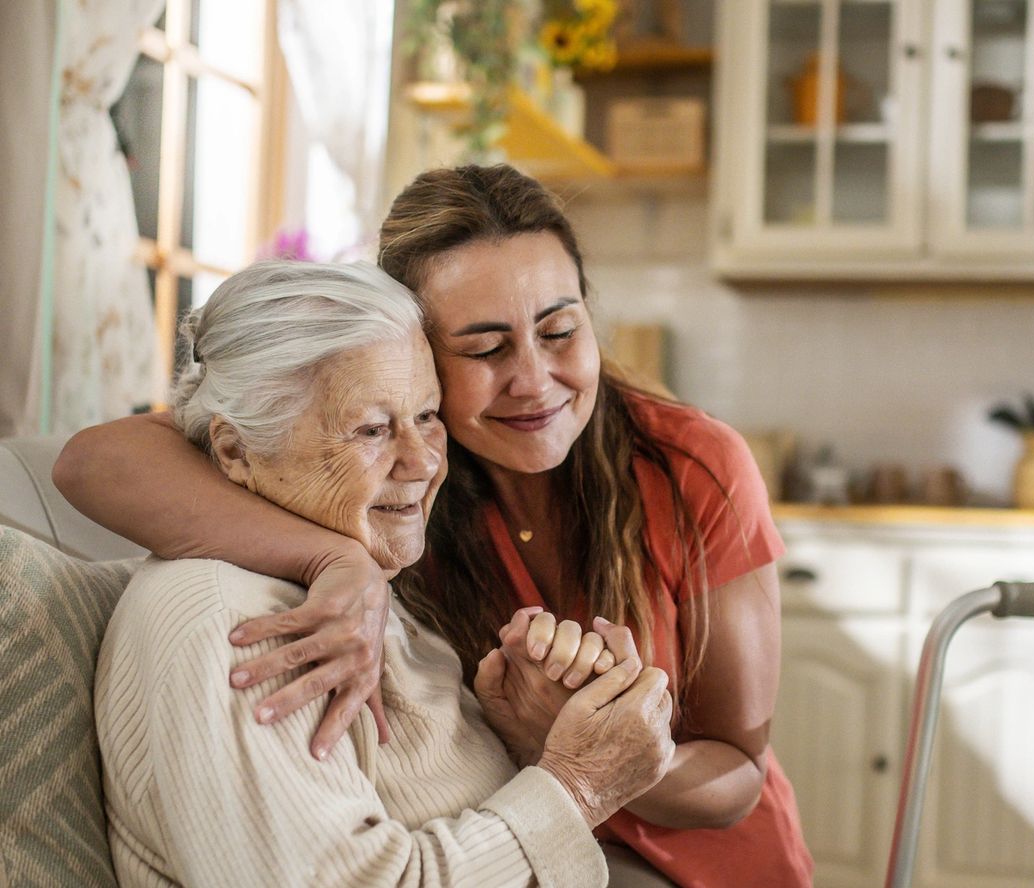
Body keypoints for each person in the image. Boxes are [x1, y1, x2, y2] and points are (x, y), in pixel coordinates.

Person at [58, 165, 814, 887]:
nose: (533, 379)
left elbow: (738, 774)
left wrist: (600, 750)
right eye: (483, 349)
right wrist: (334, 560)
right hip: (559, 841)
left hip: (711, 862)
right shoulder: (377, 505)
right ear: (416, 350)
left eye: (559, 330)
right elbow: (97, 461)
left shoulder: (685, 463)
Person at [93, 260, 674, 887]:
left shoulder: (349, 581)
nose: (422, 460)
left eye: (427, 415)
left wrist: (522, 740)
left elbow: (419, 812)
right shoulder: (239, 630)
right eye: (371, 430)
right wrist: (577, 785)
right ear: (236, 450)